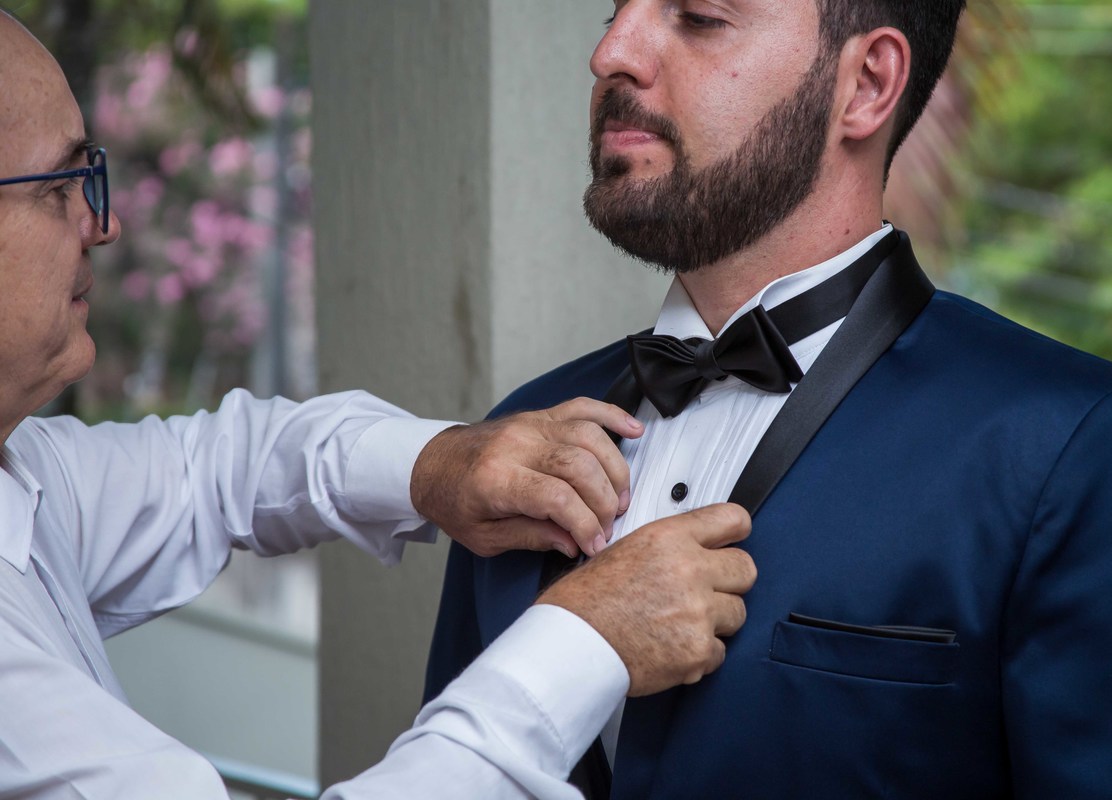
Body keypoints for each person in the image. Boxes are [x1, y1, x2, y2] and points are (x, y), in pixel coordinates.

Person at [426, 2, 1112, 798]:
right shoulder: (520, 438)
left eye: (698, 15)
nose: (611, 53)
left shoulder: (1088, 450)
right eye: (613, 12)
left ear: (867, 85)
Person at [0, 10, 759, 800]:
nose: (103, 222)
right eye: (58, 185)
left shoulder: (25, 475)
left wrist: (435, 465)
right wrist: (582, 642)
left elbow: (218, 468)